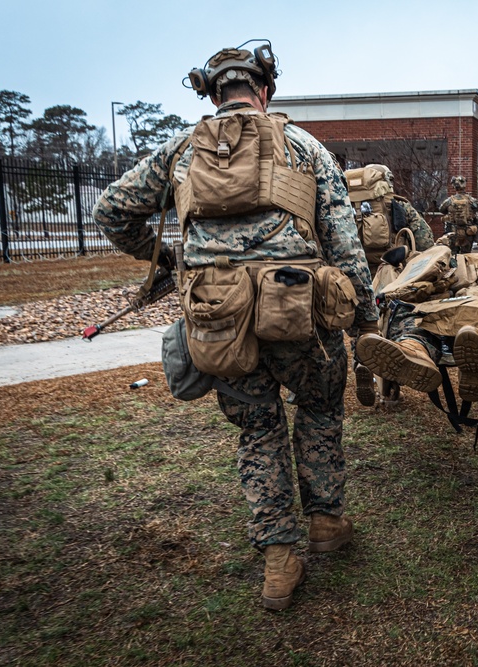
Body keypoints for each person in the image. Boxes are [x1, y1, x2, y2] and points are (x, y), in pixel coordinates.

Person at [92, 41, 377, 612]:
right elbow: (345, 242)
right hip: (299, 316)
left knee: (258, 429)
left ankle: (279, 558)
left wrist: (167, 264)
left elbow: (111, 211)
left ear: (213, 92)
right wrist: (365, 317)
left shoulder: (180, 151)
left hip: (220, 321)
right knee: (320, 411)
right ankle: (324, 523)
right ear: (264, 90)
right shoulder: (303, 146)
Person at [356, 246, 478, 405]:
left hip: (440, 305)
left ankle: (415, 349)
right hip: (470, 304)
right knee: (476, 319)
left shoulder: (408, 268)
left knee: (415, 320)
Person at [345, 163, 435, 406]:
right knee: (392, 325)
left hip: (357, 276)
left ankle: (362, 365)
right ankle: (390, 391)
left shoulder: (345, 206)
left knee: (362, 327)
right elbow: (425, 240)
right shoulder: (397, 204)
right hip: (392, 275)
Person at [439, 176, 478, 256]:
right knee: (466, 256)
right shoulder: (471, 200)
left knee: (453, 255)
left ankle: (455, 268)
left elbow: (441, 209)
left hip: (453, 231)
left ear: (454, 187)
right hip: (468, 231)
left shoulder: (449, 200)